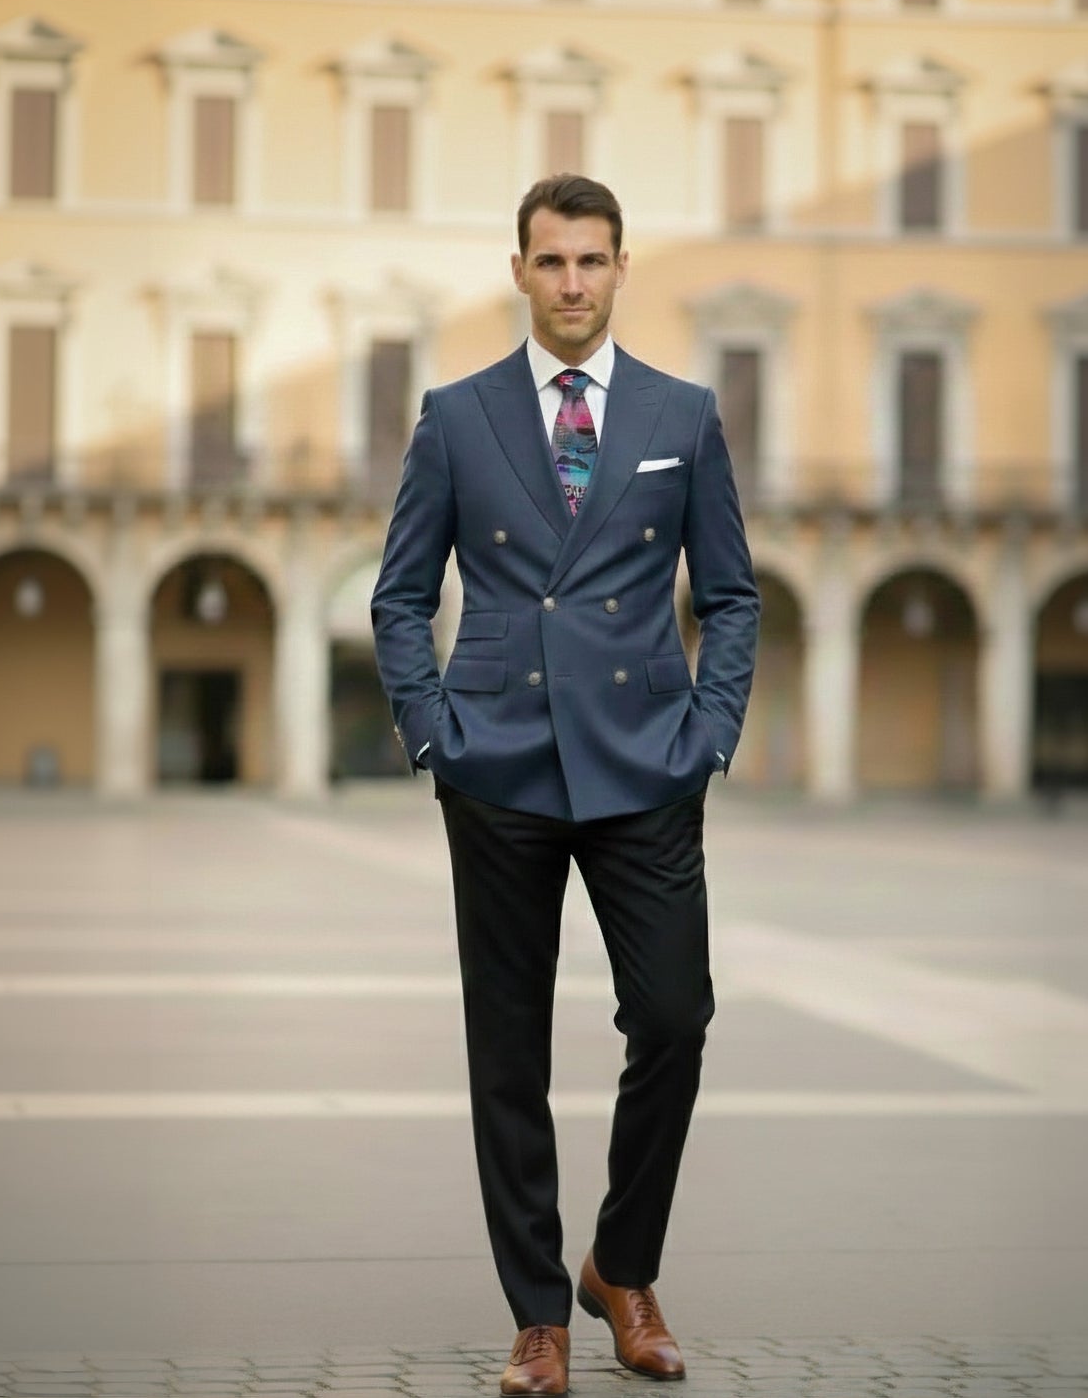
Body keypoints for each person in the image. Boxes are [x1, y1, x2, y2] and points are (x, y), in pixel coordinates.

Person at [371, 174, 760, 1396]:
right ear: (519, 272)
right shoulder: (455, 415)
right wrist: (433, 733)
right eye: (552, 261)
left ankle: (621, 1266)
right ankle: (537, 1315)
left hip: (646, 762)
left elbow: (731, 595)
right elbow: (398, 596)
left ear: (621, 269)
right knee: (507, 1048)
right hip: (498, 763)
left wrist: (708, 732)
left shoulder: (682, 413)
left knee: (674, 1016)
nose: (573, 282)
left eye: (592, 260)